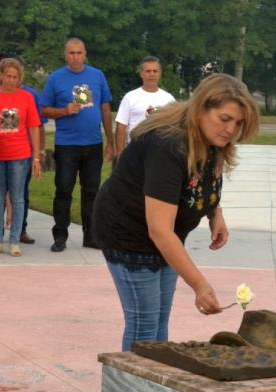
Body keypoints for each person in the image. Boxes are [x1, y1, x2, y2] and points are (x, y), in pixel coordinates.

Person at [93, 73, 259, 351]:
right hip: (129, 234)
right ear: (201, 109)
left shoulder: (212, 140)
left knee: (158, 322)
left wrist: (214, 212)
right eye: (225, 119)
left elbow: (200, 181)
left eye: (238, 123)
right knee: (143, 328)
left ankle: (154, 387)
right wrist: (199, 284)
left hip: (166, 235)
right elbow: (158, 229)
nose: (231, 129)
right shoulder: (168, 146)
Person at [40, 37, 114, 252]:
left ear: (85, 53)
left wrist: (110, 141)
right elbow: (44, 109)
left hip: (93, 143)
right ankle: (60, 236)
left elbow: (105, 108)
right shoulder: (56, 78)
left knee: (91, 192)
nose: (75, 57)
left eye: (79, 52)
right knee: (63, 190)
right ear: (65, 55)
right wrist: (64, 111)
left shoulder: (97, 75)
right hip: (67, 145)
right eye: (71, 53)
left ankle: (91, 236)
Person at [0, 58, 40, 257]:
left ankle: (14, 240)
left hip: (20, 154)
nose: (11, 80)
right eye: (8, 76)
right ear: (1, 75)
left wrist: (36, 156)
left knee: (17, 197)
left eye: (15, 77)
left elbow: (33, 127)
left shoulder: (26, 97)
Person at [115, 56, 175, 158]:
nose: (152, 74)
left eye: (155, 71)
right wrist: (120, 154)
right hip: (135, 151)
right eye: (148, 71)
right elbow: (121, 127)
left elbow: (175, 128)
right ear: (141, 73)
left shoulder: (169, 99)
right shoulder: (130, 97)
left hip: (161, 152)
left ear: (160, 73)